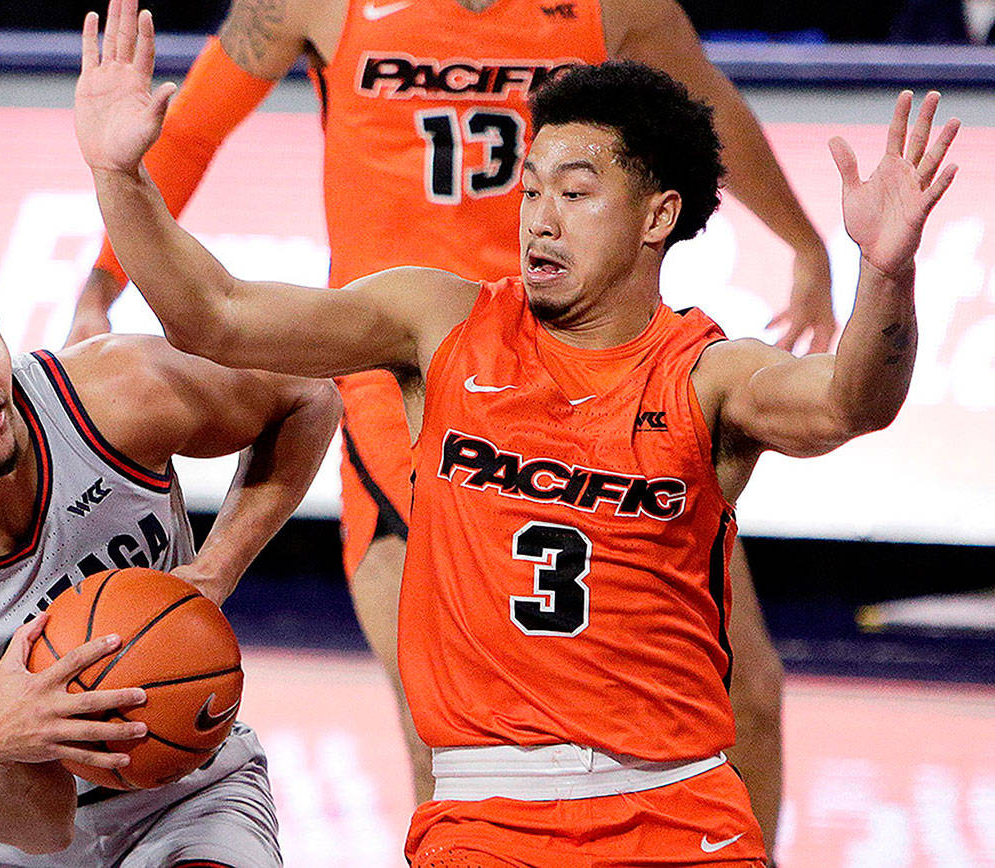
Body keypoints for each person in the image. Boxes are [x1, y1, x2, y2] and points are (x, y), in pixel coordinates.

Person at [73, 1, 959, 863]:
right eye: (530, 187)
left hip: (675, 805)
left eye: (572, 192)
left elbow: (850, 402)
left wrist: (876, 270)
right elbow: (216, 312)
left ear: (657, 216)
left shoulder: (706, 370)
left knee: (749, 689)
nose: (535, 213)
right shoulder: (430, 318)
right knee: (436, 714)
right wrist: (118, 181)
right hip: (430, 407)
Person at [0, 240, 341, 866]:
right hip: (10, 835)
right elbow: (38, 832)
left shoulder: (116, 394)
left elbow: (308, 397)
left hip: (189, 791)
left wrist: (214, 570)